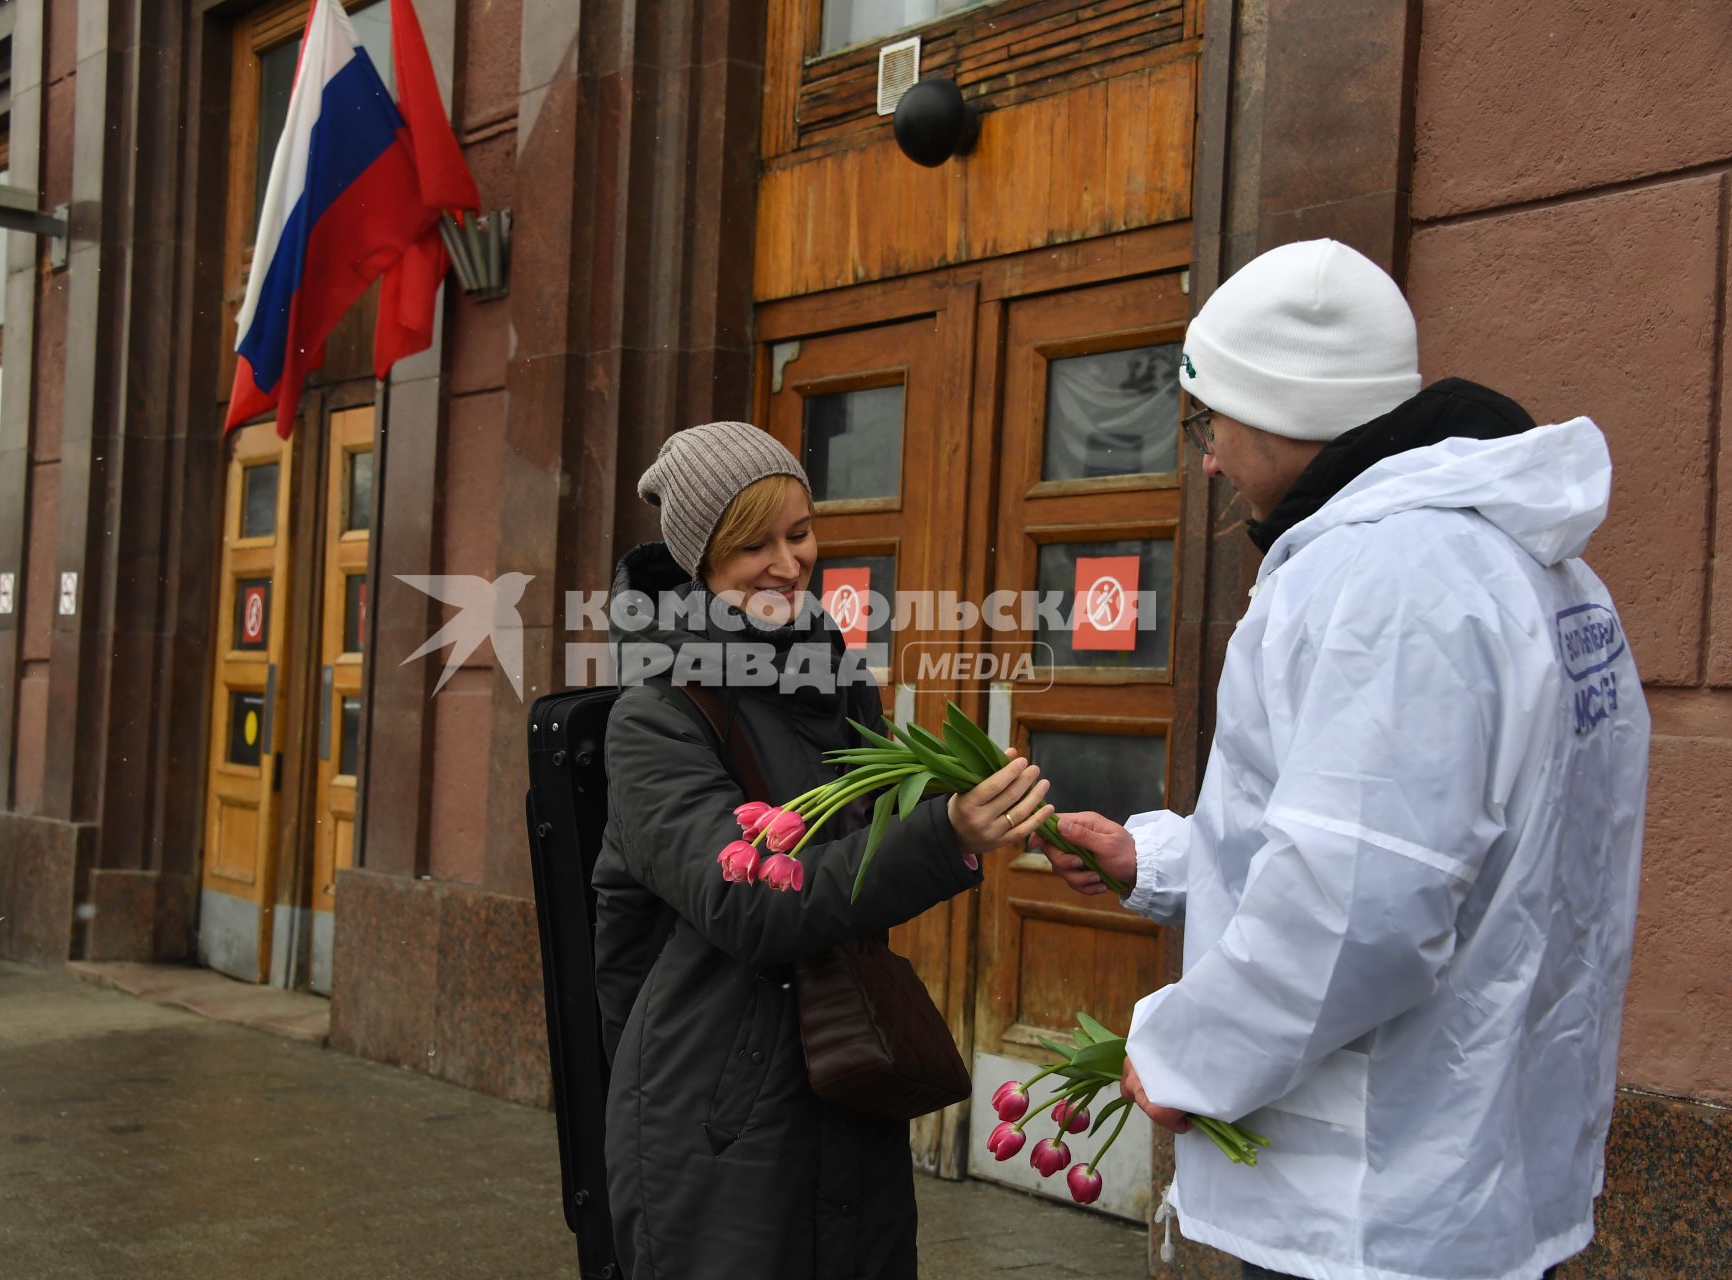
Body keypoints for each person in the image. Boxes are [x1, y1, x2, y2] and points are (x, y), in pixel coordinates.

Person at [1041, 240, 1648, 1280]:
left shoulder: (1389, 580)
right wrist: (1163, 863)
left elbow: (1356, 904)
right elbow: (1429, 844)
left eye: (1210, 420)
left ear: (1281, 408)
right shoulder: (1534, 570)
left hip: (1374, 1202)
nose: (1208, 458)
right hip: (1466, 1166)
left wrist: (1186, 1052)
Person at [593, 421, 1054, 1280]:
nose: (788, 562)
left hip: (844, 1077)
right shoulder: (657, 716)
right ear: (700, 559)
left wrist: (1007, 815)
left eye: (798, 533)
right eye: (751, 543)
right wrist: (943, 833)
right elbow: (752, 905)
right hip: (711, 1115)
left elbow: (870, 854)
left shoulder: (833, 682)